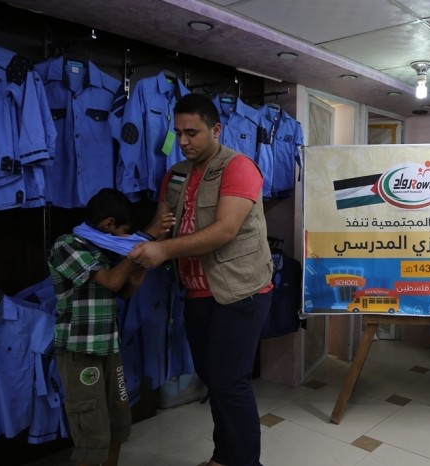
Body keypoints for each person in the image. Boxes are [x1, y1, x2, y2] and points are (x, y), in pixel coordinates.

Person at [128, 93, 274, 466]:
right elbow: (162, 226)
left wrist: (164, 250)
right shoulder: (176, 174)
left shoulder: (238, 167)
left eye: (192, 132)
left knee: (230, 383)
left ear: (216, 129)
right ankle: (224, 457)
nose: (183, 141)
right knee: (215, 380)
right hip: (196, 293)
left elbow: (225, 230)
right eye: (178, 133)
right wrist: (144, 241)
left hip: (239, 291)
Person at [48, 188, 172, 466]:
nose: (126, 240)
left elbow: (124, 291)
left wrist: (142, 265)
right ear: (108, 224)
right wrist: (143, 242)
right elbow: (112, 282)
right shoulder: (67, 245)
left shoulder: (104, 247)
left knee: (118, 422)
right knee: (93, 432)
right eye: (125, 234)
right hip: (80, 351)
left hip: (109, 347)